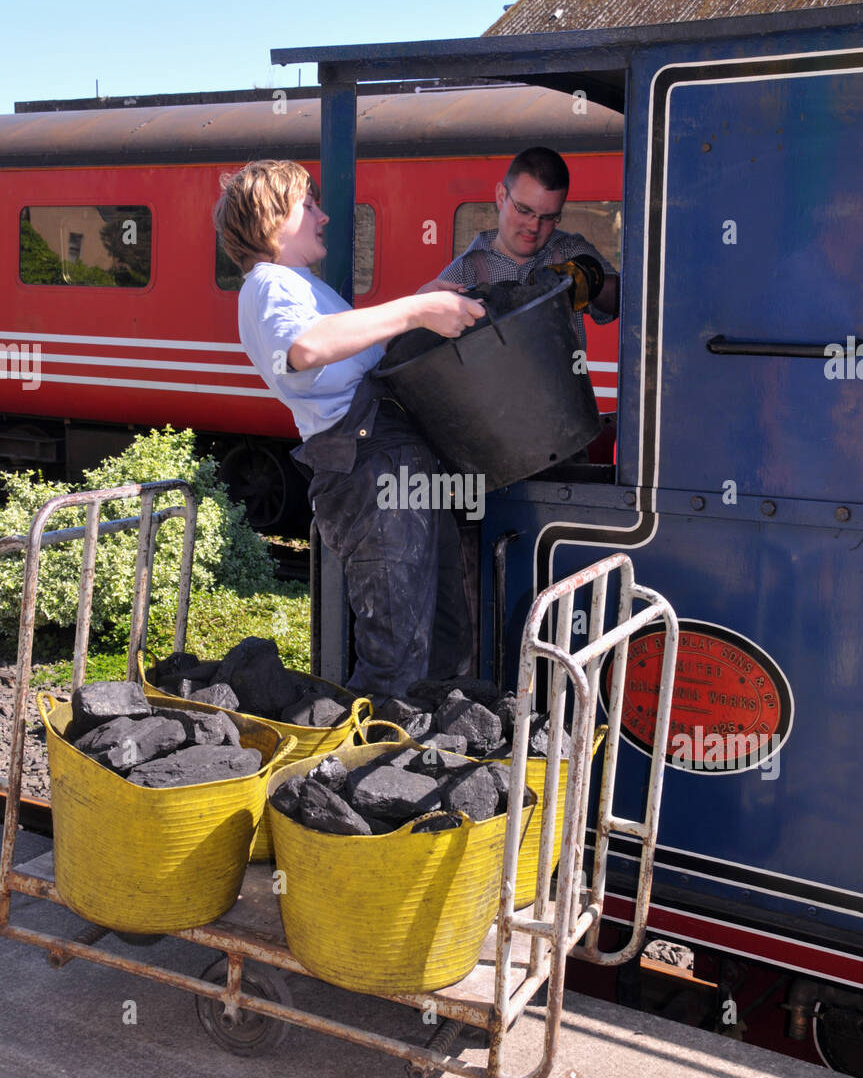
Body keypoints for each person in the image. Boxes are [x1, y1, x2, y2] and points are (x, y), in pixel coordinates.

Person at [213, 159, 483, 698]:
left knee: (443, 636)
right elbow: (307, 349)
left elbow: (356, 349)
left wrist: (428, 301)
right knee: (395, 656)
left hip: (393, 465)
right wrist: (416, 308)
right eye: (308, 205)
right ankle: (364, 773)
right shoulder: (267, 285)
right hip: (368, 472)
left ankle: (425, 754)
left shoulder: (302, 287)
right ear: (271, 219)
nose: (324, 215)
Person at [431, 146, 619, 351]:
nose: (534, 226)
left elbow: (625, 302)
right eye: (524, 210)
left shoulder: (569, 251)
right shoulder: (463, 272)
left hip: (562, 382)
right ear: (501, 196)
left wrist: (591, 281)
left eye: (548, 217)